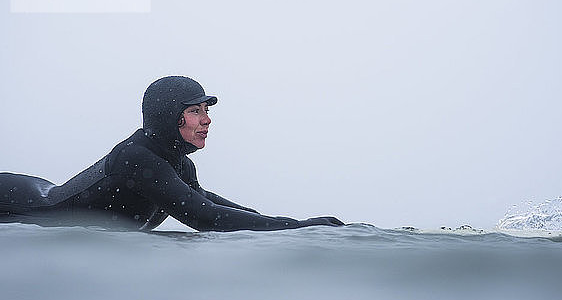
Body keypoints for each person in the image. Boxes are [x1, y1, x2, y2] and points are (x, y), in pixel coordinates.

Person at [0, 76, 344, 232]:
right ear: (168, 115)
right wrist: (294, 227)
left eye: (206, 111)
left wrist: (292, 225)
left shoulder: (177, 167)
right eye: (195, 111)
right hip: (18, 202)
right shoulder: (137, 157)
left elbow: (209, 204)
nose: (207, 121)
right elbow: (205, 218)